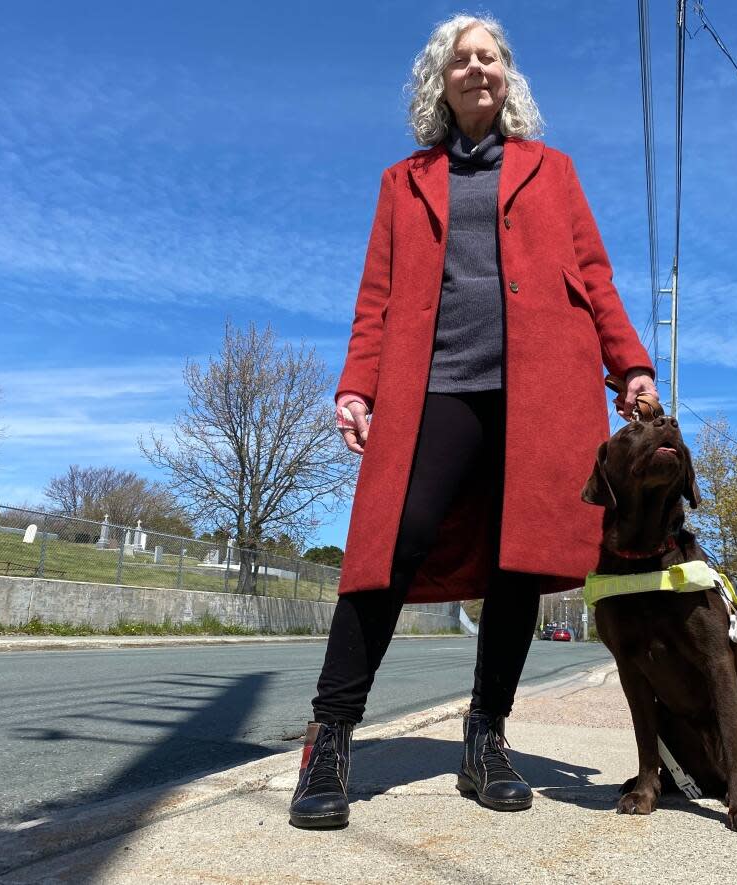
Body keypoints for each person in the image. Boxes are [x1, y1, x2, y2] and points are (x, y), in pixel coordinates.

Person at [290, 13, 657, 829]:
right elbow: (376, 298)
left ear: (508, 76)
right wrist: (357, 385)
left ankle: (486, 737)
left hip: (541, 391)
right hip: (435, 389)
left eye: (489, 56)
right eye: (460, 59)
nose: (476, 68)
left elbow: (594, 275)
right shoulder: (404, 181)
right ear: (441, 82)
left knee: (517, 563)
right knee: (389, 546)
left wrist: (629, 364)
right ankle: (331, 736)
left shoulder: (551, 171)